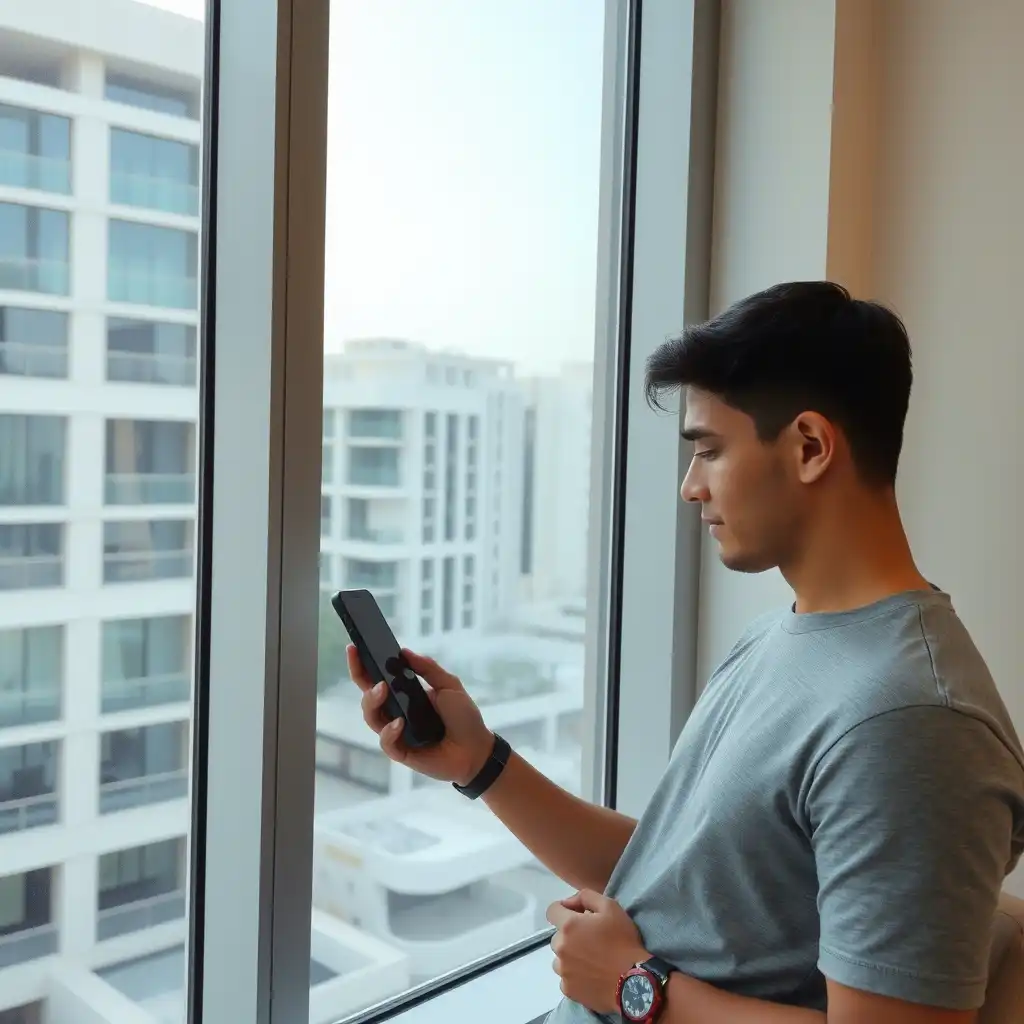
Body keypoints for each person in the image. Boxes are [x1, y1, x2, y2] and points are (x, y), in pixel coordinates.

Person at [348, 281, 1024, 1024]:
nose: (690, 487)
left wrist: (634, 986)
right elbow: (683, 879)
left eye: (708, 450)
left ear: (809, 447)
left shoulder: (913, 722)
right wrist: (480, 763)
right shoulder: (780, 636)